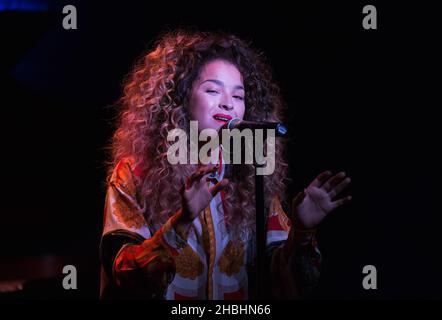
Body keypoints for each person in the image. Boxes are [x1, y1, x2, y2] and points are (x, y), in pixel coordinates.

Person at [99, 30, 352, 300]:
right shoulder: (136, 172)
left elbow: (284, 284)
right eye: (213, 90)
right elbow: (124, 274)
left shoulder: (250, 172)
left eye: (239, 96)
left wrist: (301, 232)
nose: (228, 104)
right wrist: (183, 220)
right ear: (180, 98)